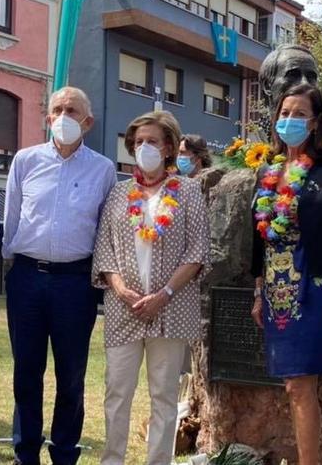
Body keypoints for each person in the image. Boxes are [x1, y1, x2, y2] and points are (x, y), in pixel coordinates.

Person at [2, 86, 116, 465]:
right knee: (26, 371)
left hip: (76, 283)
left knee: (71, 374)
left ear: (88, 121)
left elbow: (105, 229)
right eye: (57, 109)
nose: (64, 116)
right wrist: (9, 266)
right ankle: (25, 453)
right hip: (27, 278)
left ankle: (65, 453)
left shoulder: (103, 169)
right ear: (47, 117)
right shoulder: (25, 160)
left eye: (72, 110)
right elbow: (13, 216)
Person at [93, 110, 210, 465]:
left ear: (170, 148)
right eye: (138, 141)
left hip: (171, 310)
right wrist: (121, 289)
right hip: (123, 308)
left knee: (164, 394)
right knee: (117, 392)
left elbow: (198, 250)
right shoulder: (118, 193)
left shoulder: (188, 191)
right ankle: (112, 460)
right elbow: (104, 250)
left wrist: (165, 294)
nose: (144, 147)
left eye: (152, 141)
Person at [248, 84, 322, 465]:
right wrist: (258, 290)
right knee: (290, 384)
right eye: (284, 113)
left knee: (299, 385)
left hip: (315, 283)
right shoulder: (268, 169)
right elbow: (259, 237)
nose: (289, 120)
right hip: (277, 288)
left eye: (298, 114)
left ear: (315, 122)